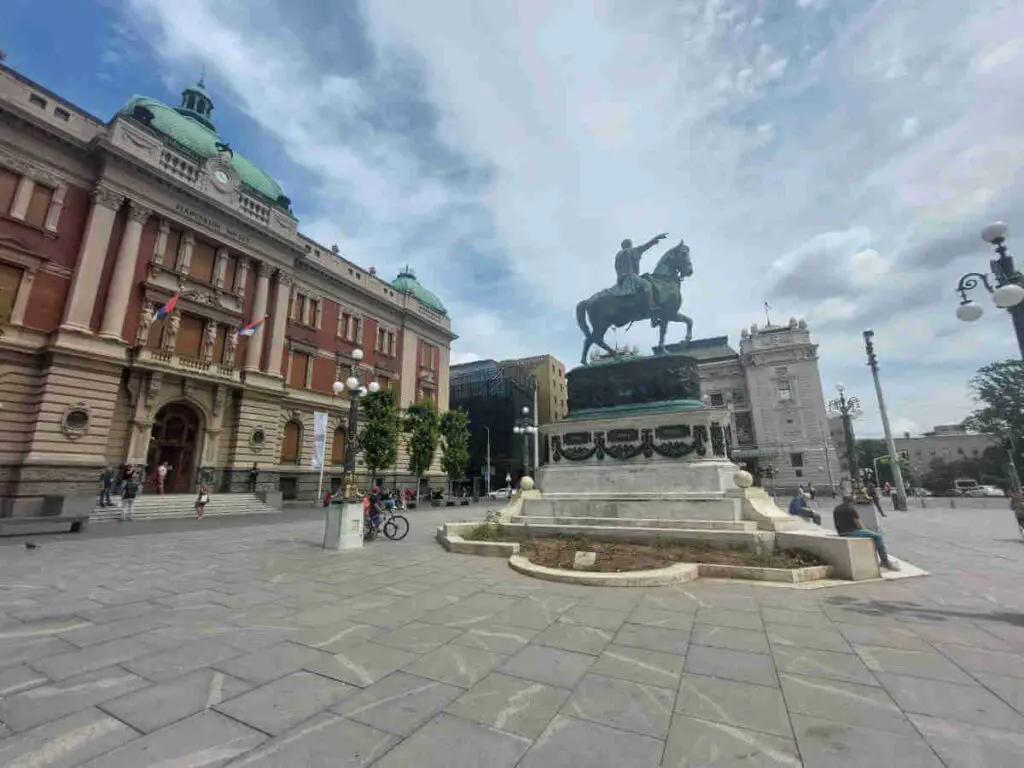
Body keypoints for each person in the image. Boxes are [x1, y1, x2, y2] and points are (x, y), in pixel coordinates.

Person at [833, 495, 900, 571]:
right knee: (878, 536)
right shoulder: (851, 509)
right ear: (852, 501)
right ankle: (884, 561)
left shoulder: (836, 509)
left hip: (841, 532)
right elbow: (858, 524)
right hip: (852, 532)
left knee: (871, 534)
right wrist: (866, 531)